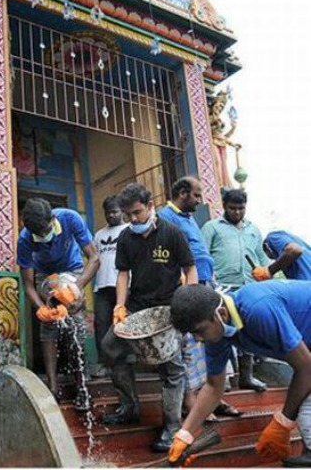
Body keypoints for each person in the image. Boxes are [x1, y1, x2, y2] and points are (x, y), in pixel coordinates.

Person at [169, 281, 311, 467]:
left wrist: (283, 422)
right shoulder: (216, 332)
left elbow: (306, 368)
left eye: (199, 331)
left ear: (220, 314)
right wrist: (185, 434)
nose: (198, 339)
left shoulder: (258, 309)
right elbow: (213, 386)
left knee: (305, 410)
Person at [101, 183, 197, 453]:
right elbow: (122, 273)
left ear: (151, 206)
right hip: (136, 306)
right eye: (128, 214)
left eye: (138, 213)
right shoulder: (126, 238)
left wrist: (187, 301)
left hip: (168, 309)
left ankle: (171, 426)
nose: (133, 219)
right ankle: (129, 406)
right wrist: (119, 306)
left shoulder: (172, 233)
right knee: (110, 346)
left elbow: (190, 268)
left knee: (172, 368)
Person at [157, 177, 241, 418]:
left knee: (214, 340)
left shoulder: (189, 217)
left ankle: (214, 397)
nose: (199, 199)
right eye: (196, 194)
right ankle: (191, 400)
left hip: (205, 287)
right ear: (182, 193)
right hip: (187, 291)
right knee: (189, 346)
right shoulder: (166, 217)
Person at [17, 198, 99, 410]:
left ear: (52, 218)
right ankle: (53, 387)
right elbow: (28, 284)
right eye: (38, 235)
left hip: (73, 271)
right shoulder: (25, 240)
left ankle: (82, 386)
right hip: (46, 276)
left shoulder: (70, 218)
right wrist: (40, 308)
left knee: (75, 321)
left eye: (46, 231)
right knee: (49, 322)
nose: (44, 238)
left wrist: (76, 287)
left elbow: (94, 258)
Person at [202, 188, 270, 391]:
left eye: (241, 208)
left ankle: (246, 377)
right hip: (222, 287)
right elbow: (203, 256)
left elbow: (261, 257)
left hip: (248, 287)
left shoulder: (253, 229)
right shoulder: (212, 227)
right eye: (233, 208)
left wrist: (265, 274)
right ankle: (223, 380)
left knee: (246, 330)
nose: (237, 212)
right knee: (222, 331)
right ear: (224, 206)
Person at [91, 195, 128, 379]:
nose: (111, 216)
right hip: (102, 287)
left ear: (122, 211)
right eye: (108, 213)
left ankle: (126, 363)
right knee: (101, 324)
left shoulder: (129, 230)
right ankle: (103, 364)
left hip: (125, 287)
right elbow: (94, 260)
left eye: (114, 212)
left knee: (123, 325)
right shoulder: (99, 235)